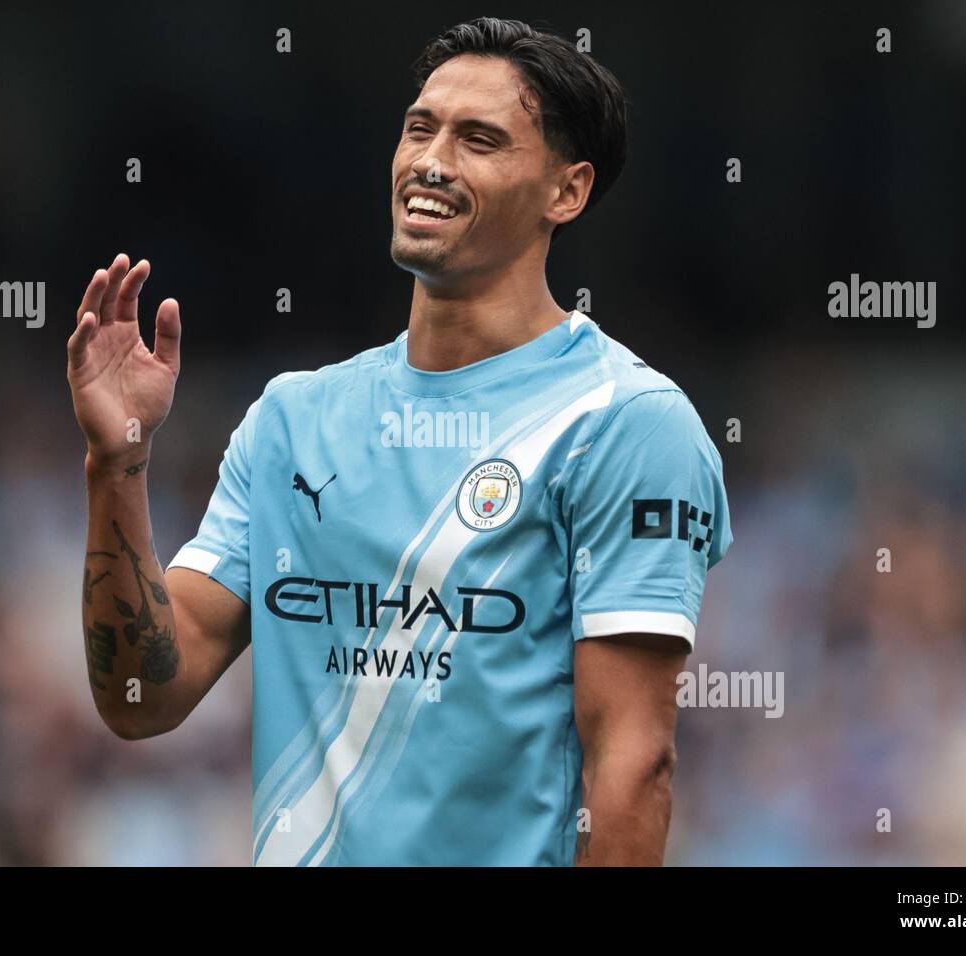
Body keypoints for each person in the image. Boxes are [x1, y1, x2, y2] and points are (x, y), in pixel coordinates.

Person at [66, 16, 731, 866]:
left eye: (479, 139)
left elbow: (633, 764)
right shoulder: (292, 420)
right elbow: (140, 697)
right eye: (421, 128)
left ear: (567, 192)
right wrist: (116, 463)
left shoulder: (624, 423)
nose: (431, 161)